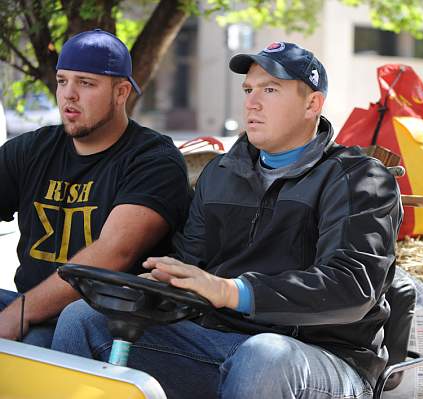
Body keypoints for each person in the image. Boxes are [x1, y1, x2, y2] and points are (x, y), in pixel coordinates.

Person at [52, 42, 401, 399]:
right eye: (249, 89)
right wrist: (153, 285)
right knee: (82, 319)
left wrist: (232, 291)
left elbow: (351, 288)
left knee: (264, 356)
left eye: (270, 89)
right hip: (219, 344)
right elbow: (189, 264)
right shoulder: (219, 173)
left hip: (326, 358)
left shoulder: (359, 179)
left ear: (312, 104)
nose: (252, 102)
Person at [0, 29, 190, 347]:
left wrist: (19, 314)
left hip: (100, 326)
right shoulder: (31, 149)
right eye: (63, 81)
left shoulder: (153, 159)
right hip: (25, 307)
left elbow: (113, 253)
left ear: (121, 92)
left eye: (86, 83)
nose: (68, 94)